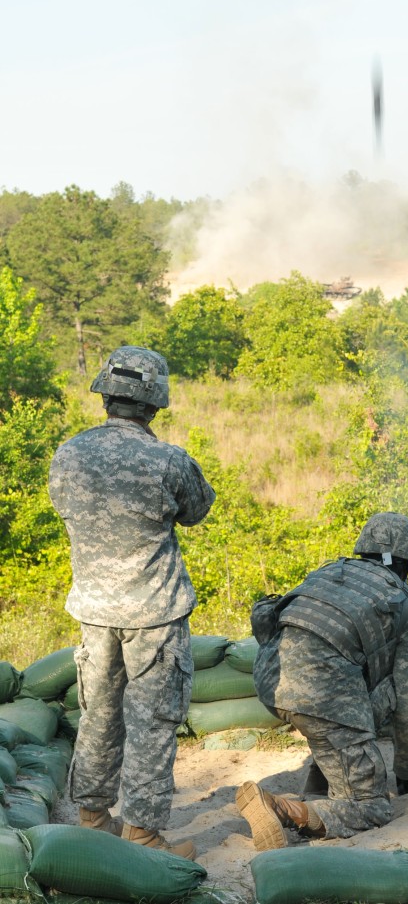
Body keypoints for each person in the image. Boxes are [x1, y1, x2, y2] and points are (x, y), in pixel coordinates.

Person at [49, 346, 216, 859]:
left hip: (95, 613)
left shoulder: (68, 453)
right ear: (154, 403)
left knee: (97, 713)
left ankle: (92, 817)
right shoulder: (168, 460)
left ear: (107, 395)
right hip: (155, 615)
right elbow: (197, 510)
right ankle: (141, 832)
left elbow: (63, 507)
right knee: (153, 720)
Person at [235, 512, 408, 850]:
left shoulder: (330, 573)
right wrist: (406, 771)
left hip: (271, 676)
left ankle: (322, 778)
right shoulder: (403, 607)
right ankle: (279, 809)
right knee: (370, 806)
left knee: (348, 706)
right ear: (407, 565)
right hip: (322, 692)